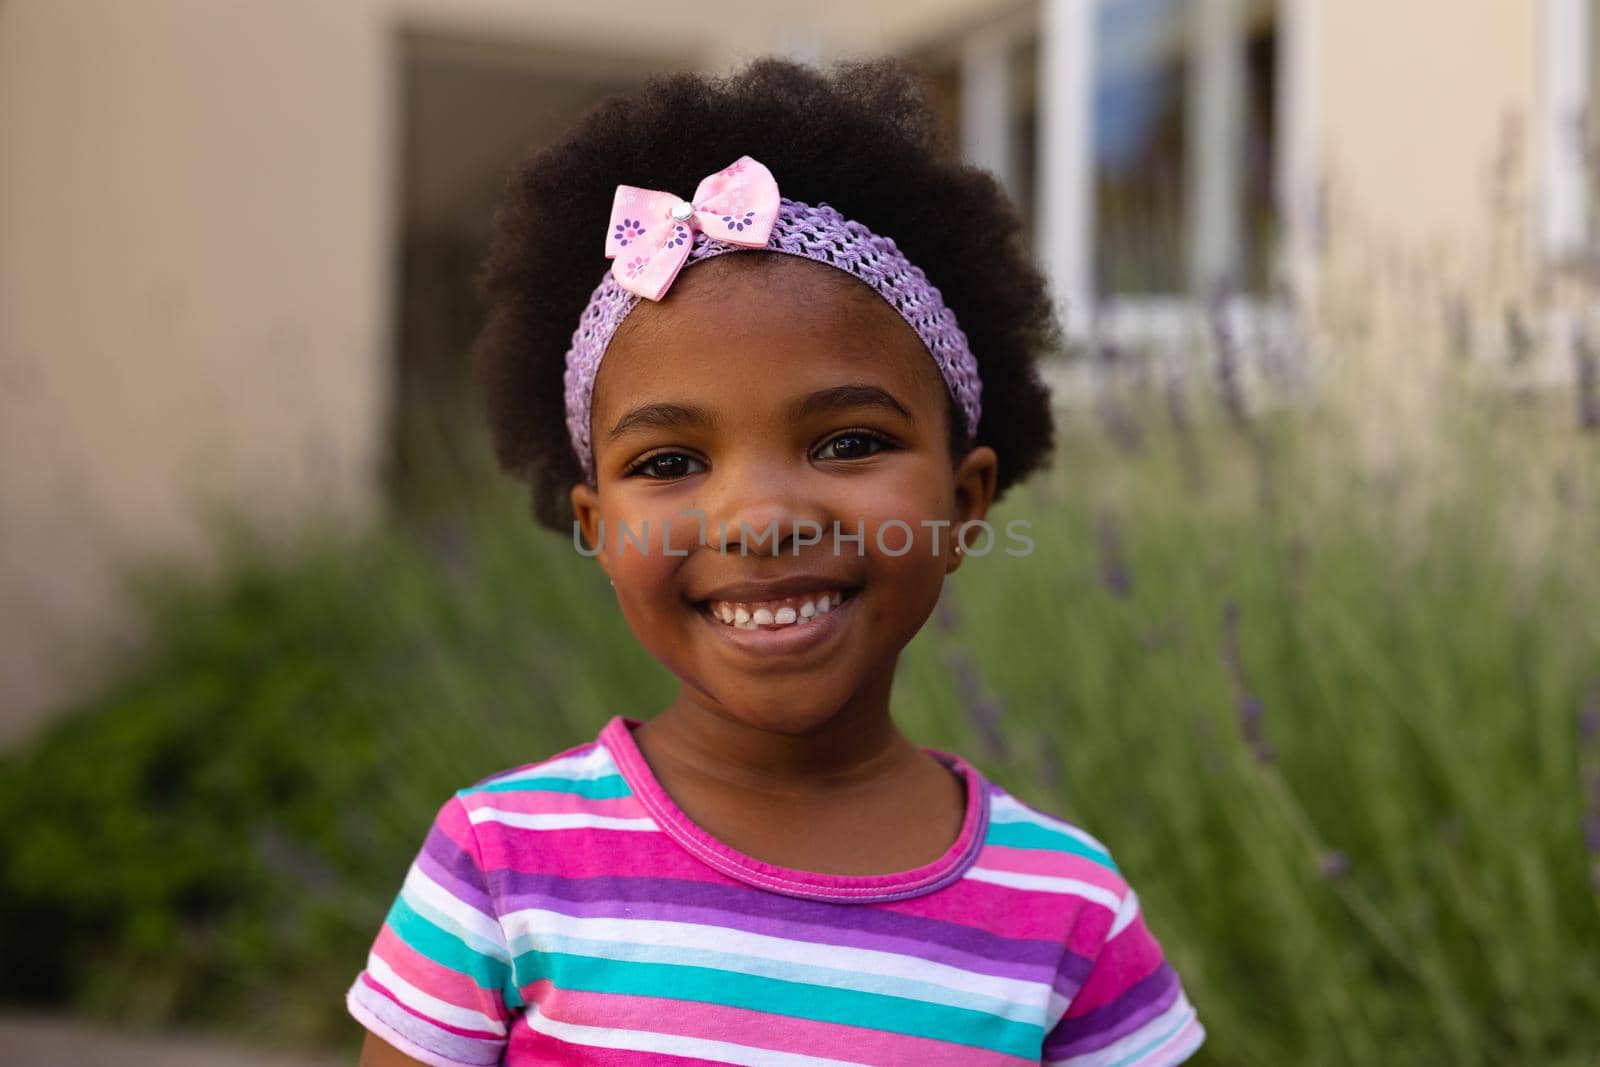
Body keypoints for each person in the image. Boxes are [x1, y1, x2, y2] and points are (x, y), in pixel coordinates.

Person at [348, 56, 1205, 1066]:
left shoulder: (1069, 913)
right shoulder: (500, 865)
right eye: (669, 461)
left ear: (963, 503)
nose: (759, 519)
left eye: (847, 442)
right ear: (596, 521)